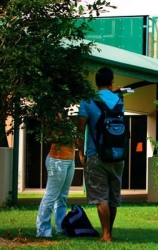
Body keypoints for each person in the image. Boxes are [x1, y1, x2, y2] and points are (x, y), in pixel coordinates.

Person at [76, 67, 125, 242]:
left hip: (96, 154)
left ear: (96, 82)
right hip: (118, 155)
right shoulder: (120, 100)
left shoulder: (88, 100)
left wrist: (81, 154)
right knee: (113, 197)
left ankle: (106, 236)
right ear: (111, 82)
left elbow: (80, 128)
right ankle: (108, 232)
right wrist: (116, 93)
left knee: (101, 197)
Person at [36, 113, 75, 238]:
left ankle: (60, 228)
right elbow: (52, 137)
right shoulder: (52, 116)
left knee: (62, 197)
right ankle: (43, 230)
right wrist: (66, 135)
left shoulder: (66, 116)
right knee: (51, 196)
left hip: (70, 159)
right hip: (57, 160)